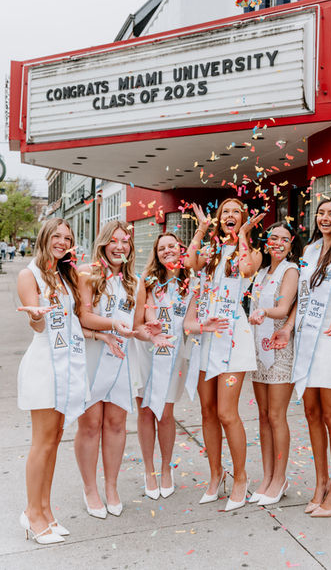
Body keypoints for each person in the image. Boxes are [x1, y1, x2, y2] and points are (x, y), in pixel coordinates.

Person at [274, 197, 331, 517]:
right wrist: (287, 328)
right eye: (320, 213)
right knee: (311, 412)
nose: (324, 218)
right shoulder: (309, 251)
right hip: (306, 337)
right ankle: (321, 482)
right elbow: (303, 297)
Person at [184, 199, 264, 511]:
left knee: (227, 413)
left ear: (243, 219)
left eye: (236, 212)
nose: (230, 215)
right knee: (208, 411)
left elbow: (245, 269)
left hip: (233, 339)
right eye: (225, 211)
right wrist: (201, 229)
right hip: (206, 336)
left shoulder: (252, 252)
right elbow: (189, 263)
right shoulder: (211, 251)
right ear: (219, 218)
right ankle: (216, 474)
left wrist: (242, 235)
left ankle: (240, 477)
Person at [16, 218, 92, 544]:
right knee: (42, 442)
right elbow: (37, 324)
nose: (62, 242)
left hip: (66, 365)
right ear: (45, 237)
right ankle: (32, 513)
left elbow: (74, 322)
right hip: (44, 367)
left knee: (55, 438)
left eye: (67, 238)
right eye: (57, 236)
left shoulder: (63, 275)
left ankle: (45, 509)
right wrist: (35, 316)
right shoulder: (29, 274)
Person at [74, 220, 150, 519]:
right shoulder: (87, 273)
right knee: (90, 425)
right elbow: (83, 316)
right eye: (114, 241)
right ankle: (90, 489)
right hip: (93, 356)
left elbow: (137, 326)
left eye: (125, 241)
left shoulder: (136, 282)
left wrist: (150, 333)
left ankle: (111, 487)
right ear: (103, 243)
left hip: (121, 359)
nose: (120, 246)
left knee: (117, 424)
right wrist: (112, 325)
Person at [132, 233, 210, 500]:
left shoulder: (192, 284)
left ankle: (166, 468)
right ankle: (149, 470)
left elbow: (189, 322)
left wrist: (205, 326)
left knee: (165, 414)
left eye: (171, 246)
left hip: (174, 355)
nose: (167, 251)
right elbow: (146, 312)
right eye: (161, 248)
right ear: (156, 253)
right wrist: (153, 323)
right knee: (145, 411)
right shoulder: (148, 280)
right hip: (146, 352)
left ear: (181, 250)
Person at [248, 221, 302, 506]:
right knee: (263, 415)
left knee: (277, 416)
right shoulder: (261, 273)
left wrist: (263, 312)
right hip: (260, 349)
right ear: (266, 243)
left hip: (280, 350)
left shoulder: (290, 270)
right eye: (273, 238)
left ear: (291, 244)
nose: (278, 243)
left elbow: (282, 309)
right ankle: (267, 477)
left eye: (284, 239)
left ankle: (280, 478)